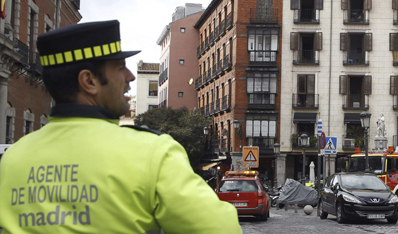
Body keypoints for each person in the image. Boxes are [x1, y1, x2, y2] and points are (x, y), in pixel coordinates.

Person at [0, 20, 241, 233]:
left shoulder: (13, 159)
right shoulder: (152, 153)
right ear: (89, 81)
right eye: (119, 68)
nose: (130, 76)